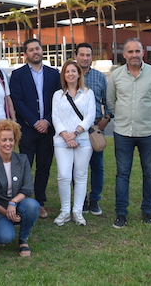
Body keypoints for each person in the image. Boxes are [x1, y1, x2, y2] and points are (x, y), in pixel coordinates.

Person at [107, 38, 151, 229]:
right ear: (124, 54)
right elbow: (111, 101)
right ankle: (121, 214)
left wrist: (146, 115)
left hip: (148, 132)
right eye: (130, 51)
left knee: (149, 173)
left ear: (143, 53)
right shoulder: (115, 76)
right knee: (122, 174)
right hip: (123, 132)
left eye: (137, 51)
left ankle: (147, 211)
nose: (134, 55)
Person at [9, 38, 61, 219]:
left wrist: (46, 120)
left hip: (48, 129)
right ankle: (23, 201)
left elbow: (59, 99)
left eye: (37, 48)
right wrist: (34, 121)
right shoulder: (18, 75)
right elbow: (17, 101)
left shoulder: (54, 74)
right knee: (25, 166)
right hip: (28, 129)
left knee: (44, 167)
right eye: (31, 50)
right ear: (26, 54)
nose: (35, 52)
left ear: (41, 50)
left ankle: (40, 202)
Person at [0, 120, 39, 257]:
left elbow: (27, 188)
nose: (8, 143)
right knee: (4, 238)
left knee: (33, 206)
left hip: (18, 203)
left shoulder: (23, 159)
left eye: (11, 140)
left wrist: (13, 203)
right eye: (4, 140)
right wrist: (7, 212)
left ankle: (23, 238)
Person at [51, 60, 95, 226]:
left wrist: (75, 133)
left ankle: (77, 211)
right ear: (64, 75)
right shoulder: (58, 95)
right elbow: (55, 117)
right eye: (67, 71)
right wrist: (65, 136)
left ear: (79, 74)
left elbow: (90, 116)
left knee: (81, 175)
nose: (70, 74)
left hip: (82, 140)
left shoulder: (88, 93)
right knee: (63, 176)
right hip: (62, 141)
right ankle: (65, 211)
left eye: (73, 71)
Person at [73, 42, 110, 217]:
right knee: (77, 166)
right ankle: (81, 200)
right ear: (76, 56)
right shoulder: (69, 75)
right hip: (74, 128)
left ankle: (94, 199)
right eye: (82, 54)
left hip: (94, 128)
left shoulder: (100, 77)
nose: (85, 58)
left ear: (92, 57)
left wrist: (105, 120)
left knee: (97, 166)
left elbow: (108, 102)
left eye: (88, 55)